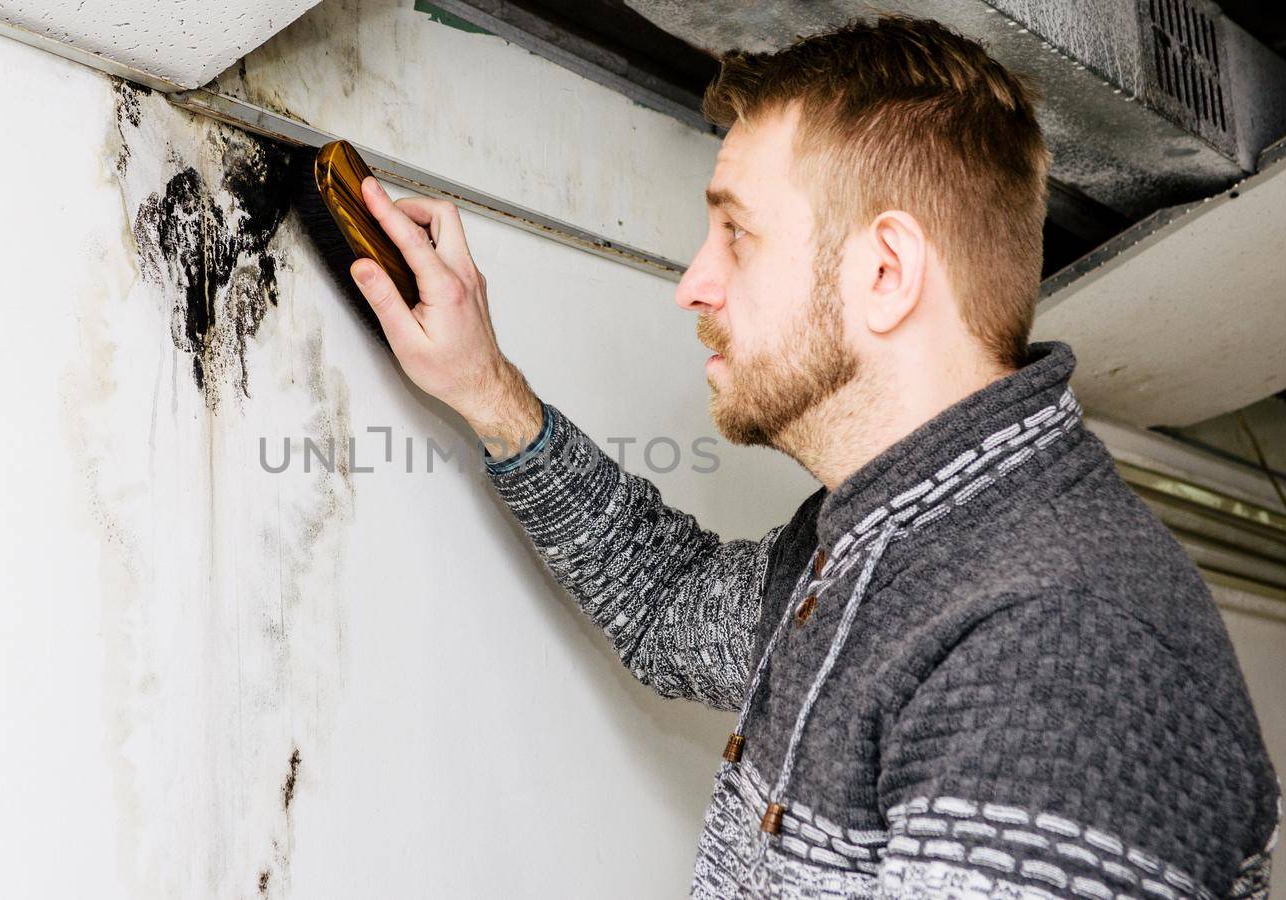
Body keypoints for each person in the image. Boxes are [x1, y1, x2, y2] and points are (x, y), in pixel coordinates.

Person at [347, 15, 1278, 899]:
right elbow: (669, 607)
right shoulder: (878, 544)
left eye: (736, 234)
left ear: (885, 273)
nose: (692, 285)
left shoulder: (1061, 650)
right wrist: (486, 387)